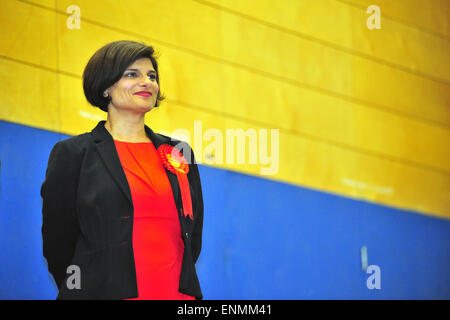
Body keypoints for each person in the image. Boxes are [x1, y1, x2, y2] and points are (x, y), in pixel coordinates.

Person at [40, 40, 204, 300]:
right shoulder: (73, 154)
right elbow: (58, 243)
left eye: (152, 76)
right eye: (132, 74)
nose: (147, 82)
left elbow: (192, 239)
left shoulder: (180, 152)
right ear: (106, 87)